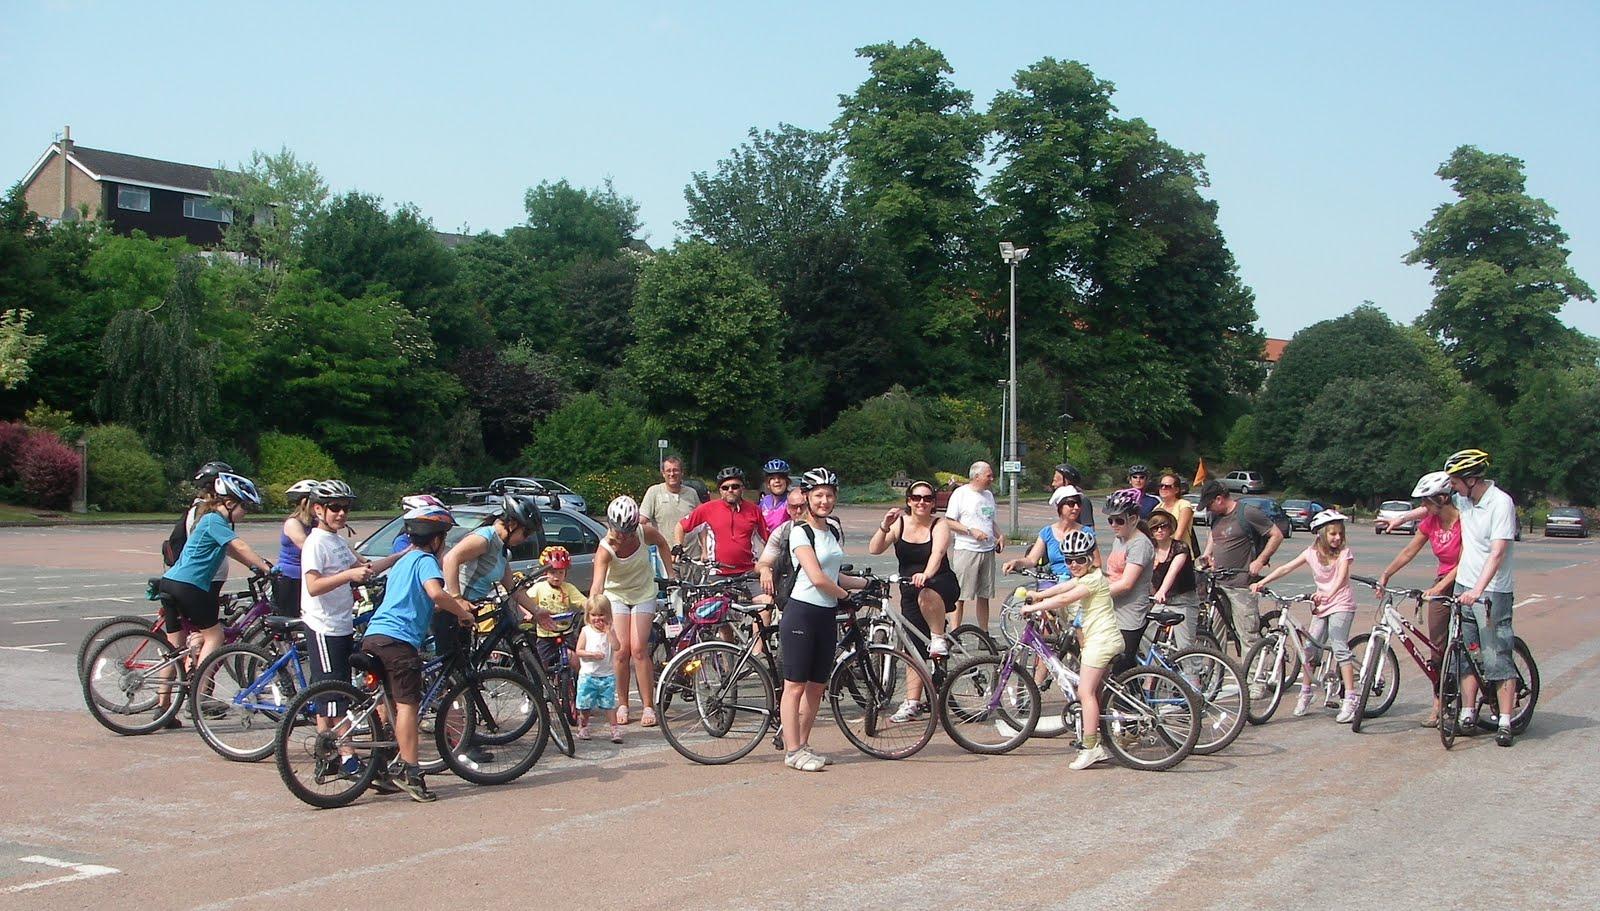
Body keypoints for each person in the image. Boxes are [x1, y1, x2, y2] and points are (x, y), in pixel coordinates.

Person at [1384, 449, 1519, 745]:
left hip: (1491, 590)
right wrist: (1402, 517)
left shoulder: (1500, 503)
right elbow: (1430, 507)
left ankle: (1506, 721)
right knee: (1465, 653)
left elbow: (1497, 553)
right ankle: (1467, 712)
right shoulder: (1466, 499)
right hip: (1464, 588)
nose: (1452, 488)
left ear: (1471, 479)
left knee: (1495, 654)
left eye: (1455, 482)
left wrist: (1478, 590)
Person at [359, 505, 477, 802]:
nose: (445, 545)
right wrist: (462, 611)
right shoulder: (425, 560)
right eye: (444, 540)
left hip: (374, 636)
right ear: (435, 540)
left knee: (388, 701)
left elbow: (422, 601)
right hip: (399, 642)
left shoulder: (403, 561)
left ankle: (382, 767)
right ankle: (411, 774)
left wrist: (447, 606)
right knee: (407, 706)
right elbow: (436, 593)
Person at [299, 480, 408, 777]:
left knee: (330, 692)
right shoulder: (316, 542)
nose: (341, 513)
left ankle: (327, 752)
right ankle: (348, 759)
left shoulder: (336, 541)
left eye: (346, 508)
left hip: (341, 624)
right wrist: (348, 574)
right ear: (318, 509)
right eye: (334, 507)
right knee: (334, 694)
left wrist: (400, 556)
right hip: (323, 625)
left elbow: (367, 570)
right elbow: (313, 585)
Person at [157, 473, 275, 726]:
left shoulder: (210, 520)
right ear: (230, 503)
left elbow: (231, 551)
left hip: (171, 581)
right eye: (245, 507)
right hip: (189, 586)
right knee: (215, 636)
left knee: (175, 650)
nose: (247, 513)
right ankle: (198, 697)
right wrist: (267, 570)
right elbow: (240, 546)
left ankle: (163, 708)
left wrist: (257, 565)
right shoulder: (214, 519)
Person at [779, 467, 868, 772]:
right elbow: (816, 577)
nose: (824, 500)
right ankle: (792, 751)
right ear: (806, 497)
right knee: (794, 686)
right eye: (818, 495)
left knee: (817, 686)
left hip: (826, 614)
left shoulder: (830, 531)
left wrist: (866, 585)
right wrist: (845, 596)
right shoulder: (800, 533)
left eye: (829, 495)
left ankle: (803, 745)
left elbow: (833, 574)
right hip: (802, 613)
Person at [1019, 528, 1121, 770]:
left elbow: (1066, 599)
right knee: (1094, 693)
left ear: (1090, 559)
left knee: (1084, 692)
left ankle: (1090, 748)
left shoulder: (1095, 580)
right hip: (1101, 640)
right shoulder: (1086, 577)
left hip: (1101, 642)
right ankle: (1099, 739)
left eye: (1080, 560)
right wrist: (1039, 594)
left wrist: (1033, 608)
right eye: (1069, 560)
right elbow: (1063, 588)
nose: (1074, 565)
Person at [1251, 510, 1360, 722]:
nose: (1337, 538)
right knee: (1309, 650)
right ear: (1321, 535)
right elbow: (1286, 568)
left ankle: (1350, 699)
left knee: (1339, 647)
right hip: (1321, 604)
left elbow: (1340, 577)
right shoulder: (1311, 552)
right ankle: (1306, 693)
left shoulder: (1344, 553)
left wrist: (1328, 593)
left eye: (1340, 533)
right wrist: (1263, 582)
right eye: (1332, 534)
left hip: (1341, 603)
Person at [869, 479, 960, 723]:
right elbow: (874, 549)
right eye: (917, 498)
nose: (922, 502)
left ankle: (938, 638)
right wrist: (884, 526)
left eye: (928, 498)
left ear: (933, 503)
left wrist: (927, 574)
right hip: (910, 588)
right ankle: (912, 702)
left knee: (927, 595)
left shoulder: (939, 524)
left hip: (939, 583)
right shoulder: (899, 523)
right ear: (909, 501)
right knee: (911, 647)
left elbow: (938, 554)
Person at [1374, 471, 1461, 727]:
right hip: (1443, 580)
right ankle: (1439, 701)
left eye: (1427, 501)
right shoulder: (1432, 522)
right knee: (1437, 644)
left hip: (1467, 579)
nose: (1423, 506)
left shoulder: (1464, 521)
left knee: (1470, 639)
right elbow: (1410, 550)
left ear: (1443, 498)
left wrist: (1440, 587)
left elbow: (1466, 560)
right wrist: (1386, 574)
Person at [591, 495, 676, 727]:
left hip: (643, 592)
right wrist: (593, 609)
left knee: (639, 649)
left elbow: (662, 543)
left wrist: (671, 573)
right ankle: (623, 704)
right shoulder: (606, 548)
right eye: (620, 531)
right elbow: (598, 584)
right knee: (621, 651)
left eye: (628, 531)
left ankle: (649, 706)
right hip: (616, 594)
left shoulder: (643, 531)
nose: (624, 536)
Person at [1198, 479, 1284, 663]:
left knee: (1248, 634)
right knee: (1216, 633)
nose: (1208, 509)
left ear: (1219, 499)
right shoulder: (1215, 517)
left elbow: (1276, 535)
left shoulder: (1247, 513)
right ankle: (1216, 677)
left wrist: (1260, 561)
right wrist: (1207, 556)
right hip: (1219, 583)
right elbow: (1215, 537)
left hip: (1242, 583)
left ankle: (1255, 682)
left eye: (1209, 504)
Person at [678, 467, 766, 596]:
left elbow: (767, 540)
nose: (730, 490)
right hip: (718, 573)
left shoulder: (754, 510)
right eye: (725, 487)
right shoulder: (707, 509)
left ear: (742, 488)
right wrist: (678, 545)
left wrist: (766, 566)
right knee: (714, 612)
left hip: (748, 573)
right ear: (720, 490)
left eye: (735, 486)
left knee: (765, 605)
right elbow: (680, 526)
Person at [943, 461, 1004, 631]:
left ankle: (984, 635)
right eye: (988, 475)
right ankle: (955, 634)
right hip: (967, 550)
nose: (992, 479)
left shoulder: (988, 496)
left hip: (987, 550)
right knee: (960, 595)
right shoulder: (961, 494)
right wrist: (971, 531)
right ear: (976, 476)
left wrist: (999, 535)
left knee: (984, 595)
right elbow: (949, 522)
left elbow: (989, 521)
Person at [1103, 489, 1155, 674]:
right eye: (1110, 520)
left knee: (1121, 672)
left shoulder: (1140, 544)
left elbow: (1126, 583)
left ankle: (1126, 703)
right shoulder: (1120, 539)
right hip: (1114, 611)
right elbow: (1111, 574)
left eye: (1119, 520)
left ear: (1133, 519)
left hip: (1130, 616)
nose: (1113, 525)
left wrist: (1096, 593)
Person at [1004, 485, 1097, 580]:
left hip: (1079, 583)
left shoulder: (1086, 532)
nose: (1076, 507)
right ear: (1059, 506)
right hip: (1053, 581)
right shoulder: (1047, 532)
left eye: (1079, 503)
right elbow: (1031, 560)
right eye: (1071, 504)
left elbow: (1096, 563)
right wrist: (1016, 562)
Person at [527, 546, 586, 674]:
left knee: (575, 660)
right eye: (552, 572)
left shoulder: (568, 588)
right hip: (546, 635)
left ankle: (577, 687)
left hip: (566, 633)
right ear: (545, 572)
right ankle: (544, 687)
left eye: (561, 572)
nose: (556, 577)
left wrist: (592, 610)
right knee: (542, 666)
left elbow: (583, 602)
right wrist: (528, 614)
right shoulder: (539, 587)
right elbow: (525, 601)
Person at [1147, 508, 1199, 650]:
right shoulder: (1150, 549)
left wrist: (1162, 591)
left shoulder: (1180, 547)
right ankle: (1160, 670)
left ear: (1170, 528)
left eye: (1163, 526)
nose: (1159, 530)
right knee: (1145, 635)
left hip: (1183, 601)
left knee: (1185, 646)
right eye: (1155, 527)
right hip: (1161, 602)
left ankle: (1191, 672)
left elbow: (1173, 571)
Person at [573, 594, 621, 743]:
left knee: (609, 704)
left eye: (601, 615)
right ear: (588, 615)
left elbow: (617, 647)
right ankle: (583, 727)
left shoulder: (609, 631)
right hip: (588, 675)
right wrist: (591, 654)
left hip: (606, 675)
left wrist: (609, 632)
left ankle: (614, 728)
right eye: (593, 615)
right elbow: (579, 650)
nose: (597, 619)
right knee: (585, 704)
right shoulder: (586, 631)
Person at [272, 479, 319, 617]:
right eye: (318, 503)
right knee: (290, 619)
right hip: (289, 578)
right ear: (306, 503)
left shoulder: (315, 523)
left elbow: (336, 543)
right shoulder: (293, 523)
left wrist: (362, 561)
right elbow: (308, 548)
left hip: (306, 577)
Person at [641, 456, 701, 552]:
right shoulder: (654, 492)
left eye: (675, 470)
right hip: (665, 556)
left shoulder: (692, 493)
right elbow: (642, 520)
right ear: (663, 473)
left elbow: (701, 525)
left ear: (682, 472)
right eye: (668, 471)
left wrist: (705, 551)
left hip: (692, 557)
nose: (672, 474)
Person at [1156, 472, 1199, 556]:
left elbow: (1178, 534)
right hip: (1161, 553)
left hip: (1180, 553)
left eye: (1168, 486)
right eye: (1161, 486)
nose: (1163, 488)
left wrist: (1169, 553)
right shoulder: (1157, 507)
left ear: (1176, 490)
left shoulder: (1184, 505)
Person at [1052, 463, 1096, 530]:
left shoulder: (1082, 499)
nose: (1053, 484)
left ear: (1066, 481)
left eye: (1056, 480)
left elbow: (1089, 529)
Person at [757, 458, 793, 534]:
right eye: (772, 478)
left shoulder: (791, 500)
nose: (777, 481)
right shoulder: (764, 501)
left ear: (787, 481)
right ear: (768, 483)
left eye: (780, 477)